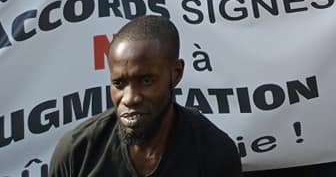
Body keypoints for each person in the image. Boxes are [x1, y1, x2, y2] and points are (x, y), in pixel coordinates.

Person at [49, 15, 242, 176]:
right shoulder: (77, 152)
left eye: (146, 81)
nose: (130, 98)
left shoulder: (214, 152)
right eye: (119, 83)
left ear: (175, 74)